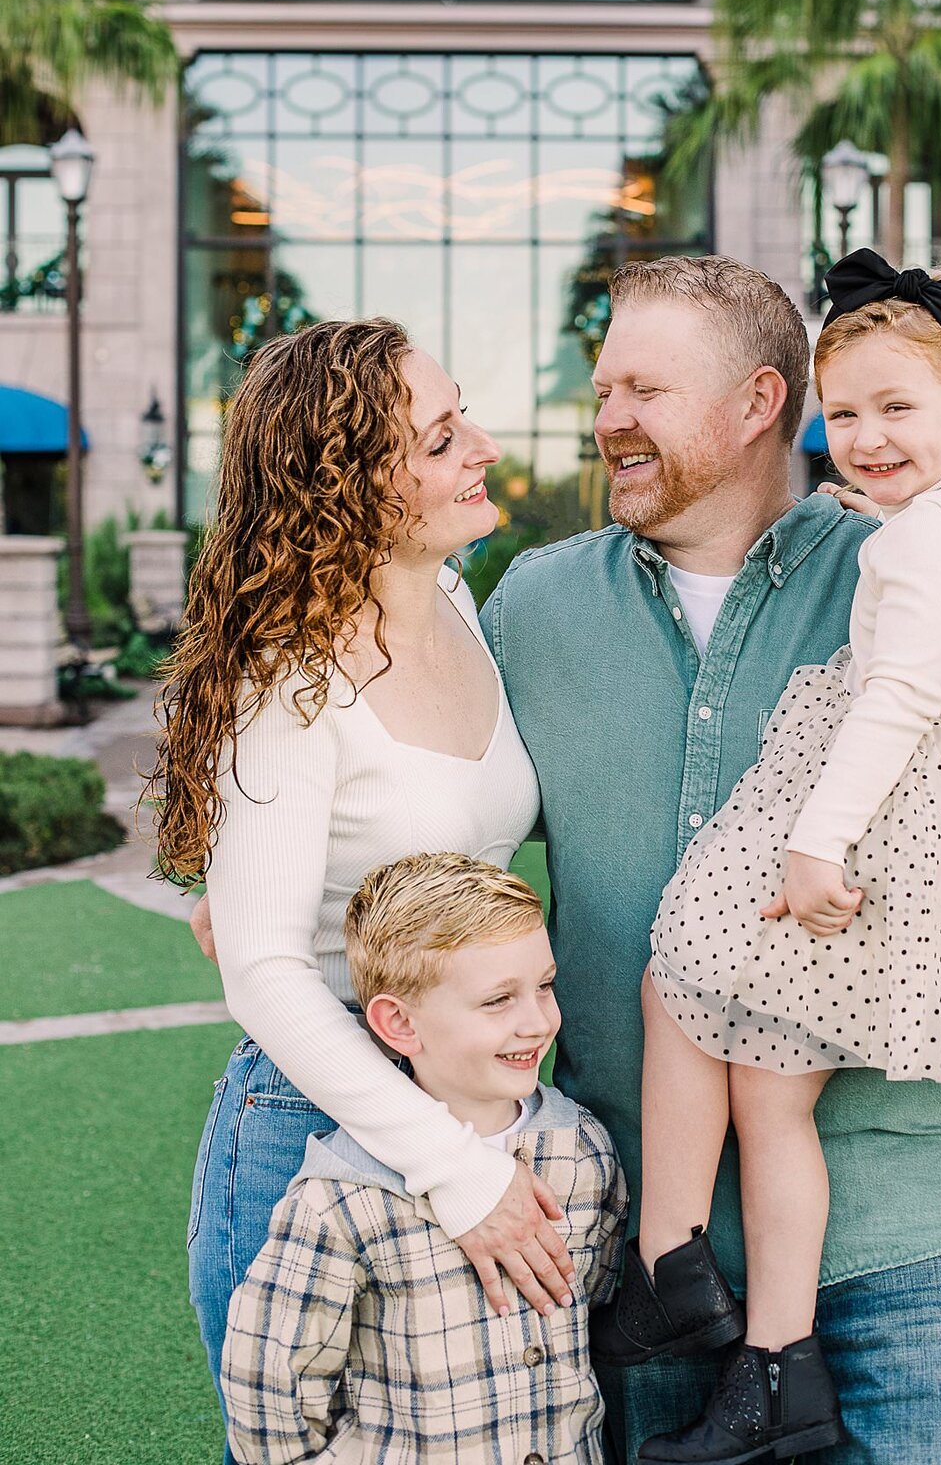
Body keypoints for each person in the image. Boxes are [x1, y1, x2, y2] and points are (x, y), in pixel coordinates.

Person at [483, 255, 941, 1465]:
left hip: (908, 1233)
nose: (608, 416)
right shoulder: (533, 606)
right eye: (603, 385)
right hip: (639, 1263)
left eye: (645, 388)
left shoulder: (907, 564)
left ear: (758, 403)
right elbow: (435, 817)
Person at [613, 250, 941, 1462]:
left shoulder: (914, 547)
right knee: (761, 1071)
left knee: (693, 987)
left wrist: (812, 845)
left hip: (879, 822)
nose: (865, 436)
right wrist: (886, 511)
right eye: (844, 414)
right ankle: (755, 1353)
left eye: (897, 408)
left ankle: (686, 1286)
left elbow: (893, 698)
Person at [153, 319, 576, 1459]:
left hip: (472, 1095)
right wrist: (459, 1174)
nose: (482, 446)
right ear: (351, 486)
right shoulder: (291, 675)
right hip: (317, 1119)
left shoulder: (460, 609)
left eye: (462, 416)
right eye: (440, 441)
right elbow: (260, 969)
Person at [221, 851, 627, 1465]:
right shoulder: (341, 1200)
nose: (537, 1021)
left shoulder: (584, 1150)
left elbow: (595, 1303)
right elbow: (271, 1383)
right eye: (497, 1001)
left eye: (544, 986)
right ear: (399, 1024)